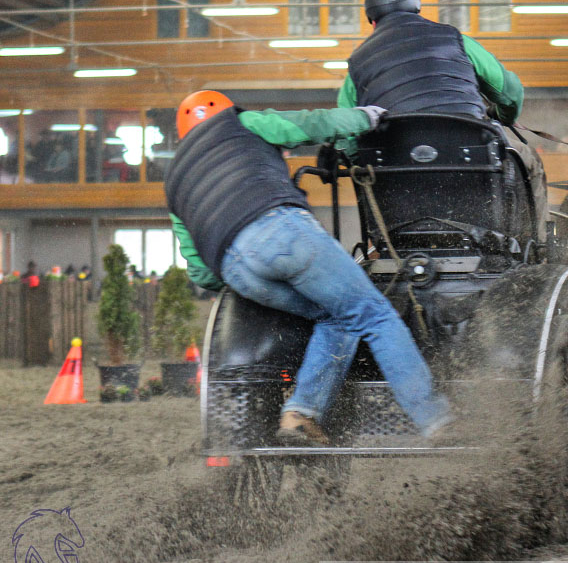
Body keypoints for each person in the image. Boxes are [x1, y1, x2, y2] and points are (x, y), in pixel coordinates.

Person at [167, 90, 451, 444]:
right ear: (223, 113)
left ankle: (301, 414)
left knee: (335, 316)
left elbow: (199, 271)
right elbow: (308, 124)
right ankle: (435, 419)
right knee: (373, 314)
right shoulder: (239, 124)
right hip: (279, 230)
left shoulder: (175, 182)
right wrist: (364, 118)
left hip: (235, 269)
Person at [337, 0, 547, 240]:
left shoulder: (356, 64)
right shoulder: (457, 40)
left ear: (372, 20)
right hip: (472, 159)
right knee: (530, 160)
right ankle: (539, 246)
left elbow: (347, 136)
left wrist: (363, 158)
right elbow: (510, 91)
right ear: (416, 7)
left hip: (396, 179)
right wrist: (504, 116)